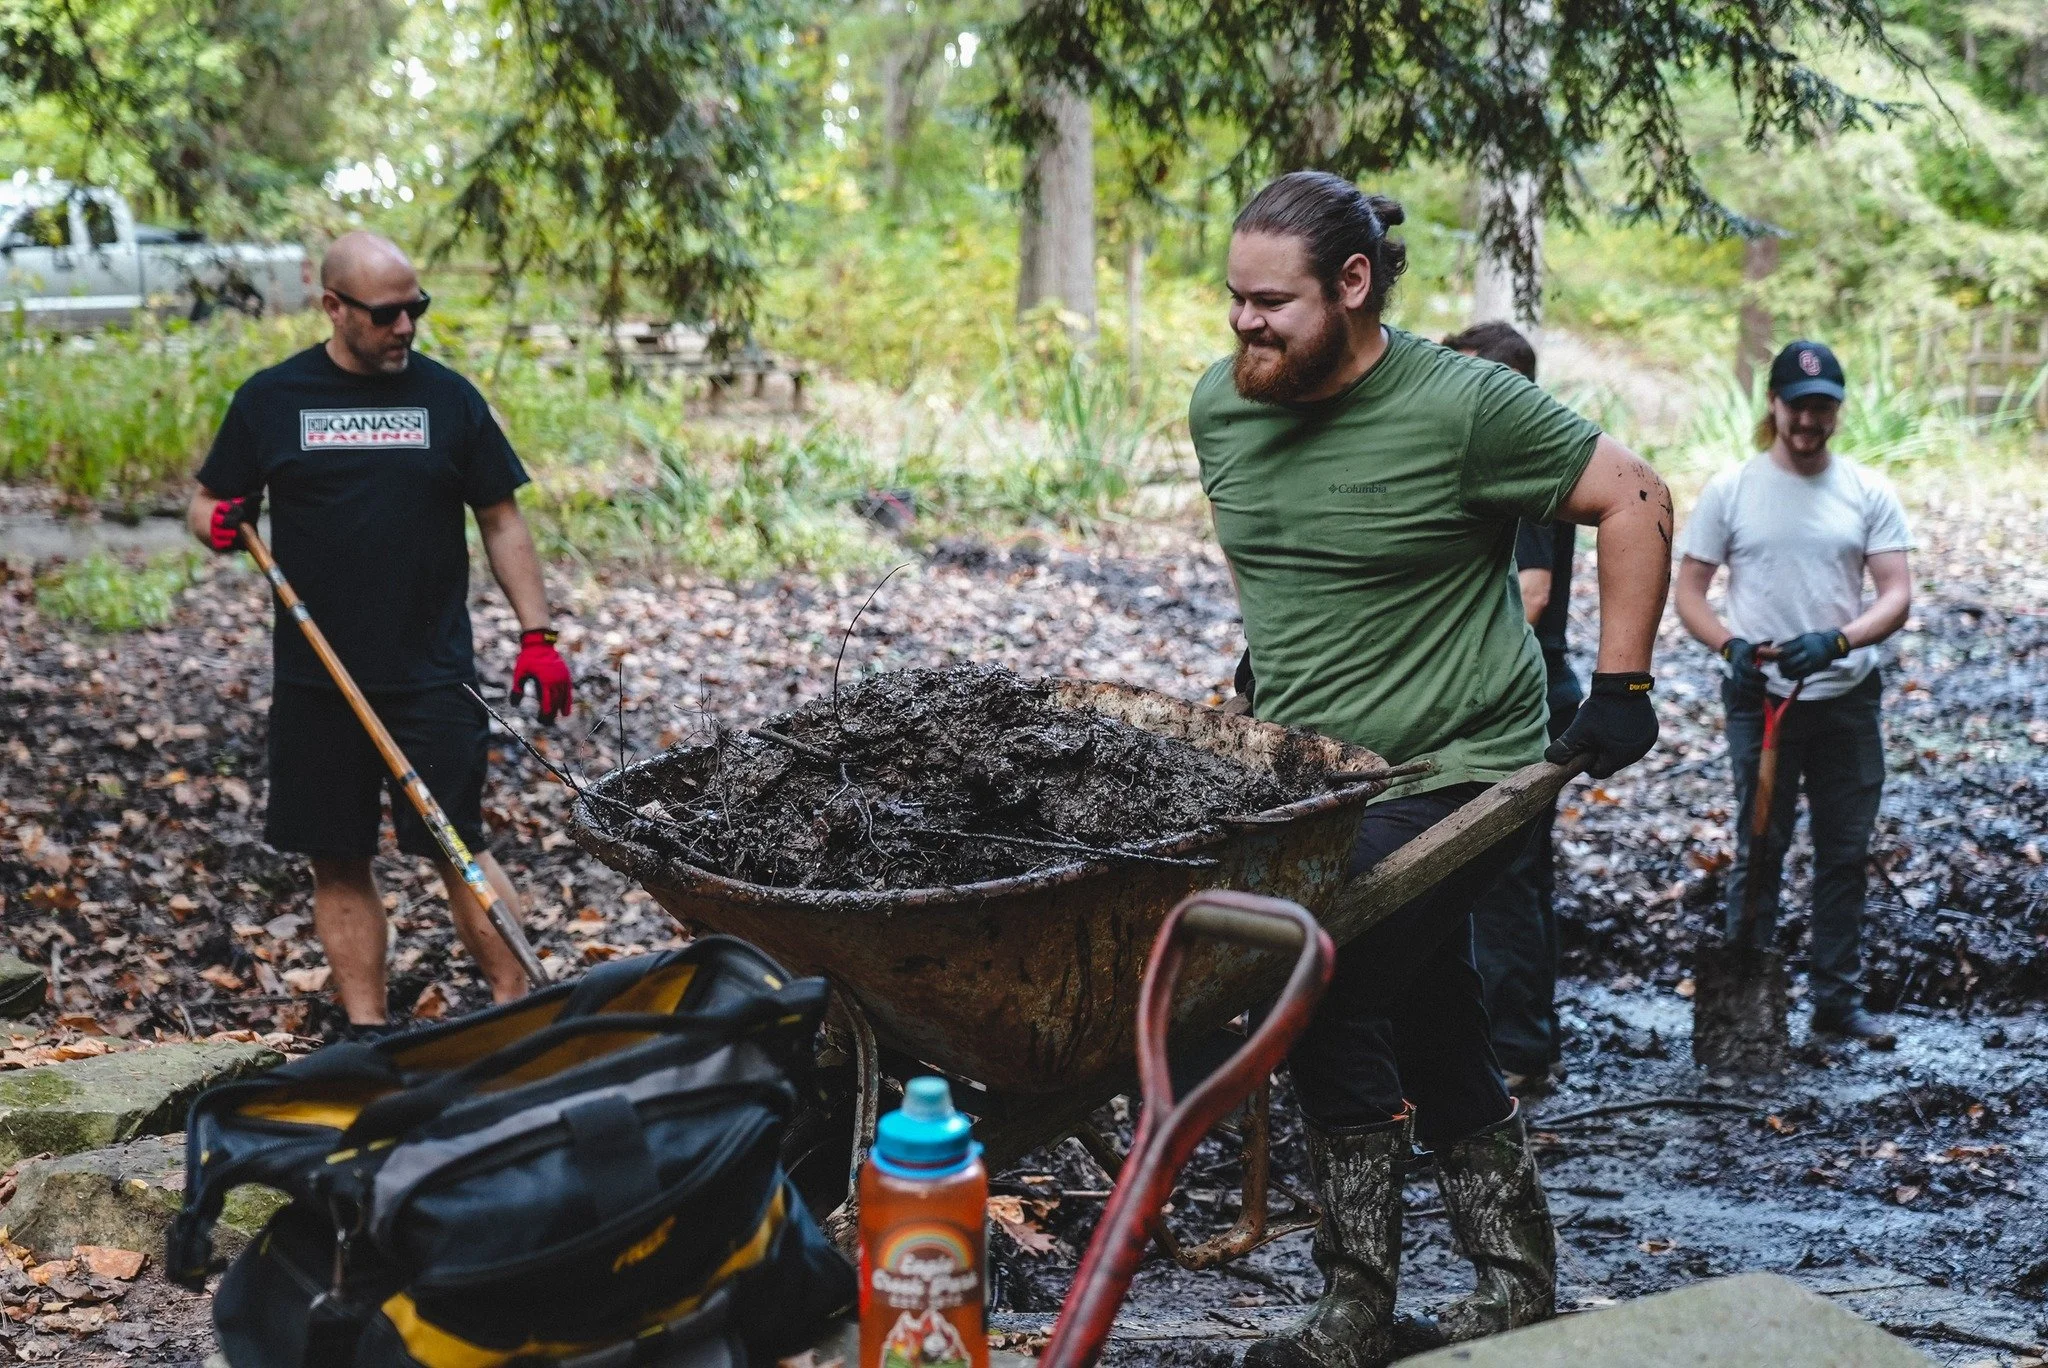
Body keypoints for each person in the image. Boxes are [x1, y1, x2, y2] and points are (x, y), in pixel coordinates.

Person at [1194, 172, 1671, 1368]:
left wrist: (1618, 688)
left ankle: (1352, 1307)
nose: (1245, 325)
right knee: (1431, 1006)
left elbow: (1636, 495)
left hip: (1467, 763)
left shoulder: (1461, 407)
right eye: (1234, 300)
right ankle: (1514, 1283)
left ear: (1352, 286)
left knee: (1329, 977)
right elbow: (1274, 557)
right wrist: (1267, 671)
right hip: (1309, 772)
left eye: (1272, 303)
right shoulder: (1224, 405)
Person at [186, 231, 574, 1042]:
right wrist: (218, 524)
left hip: (431, 671)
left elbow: (501, 519)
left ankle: (518, 1012)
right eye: (388, 313)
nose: (407, 328)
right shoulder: (272, 400)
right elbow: (208, 499)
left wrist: (537, 634)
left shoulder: (449, 401)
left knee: (455, 843)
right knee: (337, 855)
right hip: (316, 677)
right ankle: (368, 1030)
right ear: (333, 307)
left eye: (416, 309)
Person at [1674, 339, 1912, 1048]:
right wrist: (1729, 647)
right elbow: (1689, 591)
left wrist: (1840, 640)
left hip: (1845, 697)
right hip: (1760, 699)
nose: (1810, 420)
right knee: (1761, 844)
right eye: (1798, 405)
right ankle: (1747, 993)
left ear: (1837, 410)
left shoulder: (1866, 491)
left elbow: (1896, 593)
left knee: (1843, 850)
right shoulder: (1733, 489)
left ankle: (1836, 1003)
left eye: (1823, 407)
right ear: (1773, 405)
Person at [1441, 321, 1580, 1095]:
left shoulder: (1518, 455)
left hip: (1529, 697)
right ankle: (1528, 1036)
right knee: (1520, 879)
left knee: (1502, 879)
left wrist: (1447, 663)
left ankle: (1520, 1049)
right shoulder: (1519, 454)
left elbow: (1532, 594)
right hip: (1538, 692)